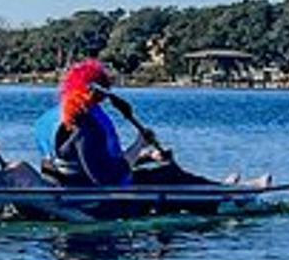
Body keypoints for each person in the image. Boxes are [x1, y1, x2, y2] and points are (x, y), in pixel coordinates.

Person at [35, 60, 213, 188]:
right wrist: (139, 143)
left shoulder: (51, 118)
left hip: (67, 187)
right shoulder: (86, 126)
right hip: (98, 201)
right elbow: (108, 177)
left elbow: (88, 160)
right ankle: (221, 194)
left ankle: (217, 188)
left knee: (155, 166)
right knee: (168, 173)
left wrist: (145, 156)